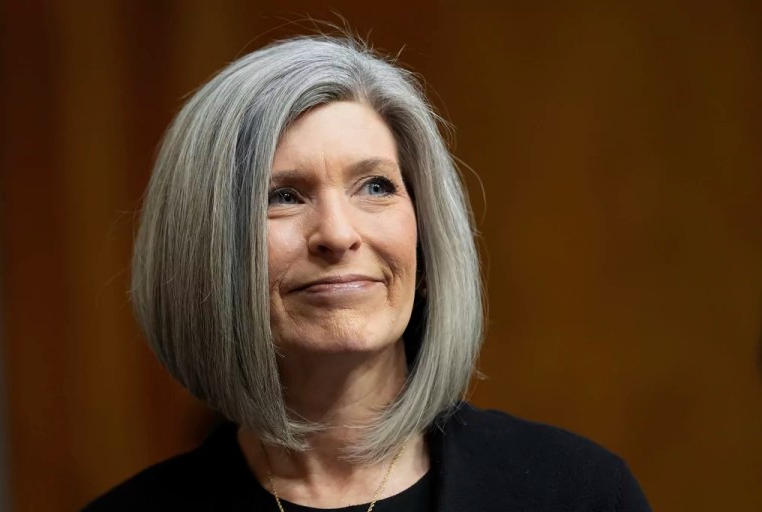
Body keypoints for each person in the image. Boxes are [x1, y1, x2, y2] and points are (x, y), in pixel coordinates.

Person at [84, 35, 650, 511]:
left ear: (425, 239)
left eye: (376, 186)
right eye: (283, 195)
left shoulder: (578, 492)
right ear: (206, 255)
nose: (337, 233)